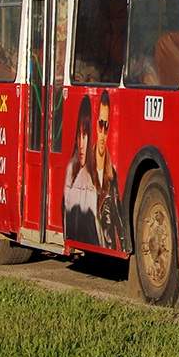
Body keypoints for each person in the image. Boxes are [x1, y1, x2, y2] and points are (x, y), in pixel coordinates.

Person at [89, 90, 127, 251]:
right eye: (100, 125)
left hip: (107, 244)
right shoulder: (84, 167)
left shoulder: (112, 176)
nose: (103, 132)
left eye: (106, 126)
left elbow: (118, 219)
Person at [63, 97, 100, 245]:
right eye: (79, 135)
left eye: (85, 135)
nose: (81, 144)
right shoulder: (71, 170)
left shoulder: (92, 179)